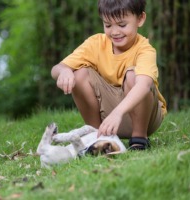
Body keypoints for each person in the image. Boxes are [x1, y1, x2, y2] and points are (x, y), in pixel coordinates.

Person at [51, 0, 167, 150]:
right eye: (108, 25)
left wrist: (118, 113)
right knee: (79, 73)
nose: (115, 32)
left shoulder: (145, 50)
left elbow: (144, 86)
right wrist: (65, 71)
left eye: (122, 25)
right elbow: (57, 68)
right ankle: (96, 135)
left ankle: (139, 139)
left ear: (140, 19)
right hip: (109, 115)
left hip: (145, 116)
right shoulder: (96, 44)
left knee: (133, 75)